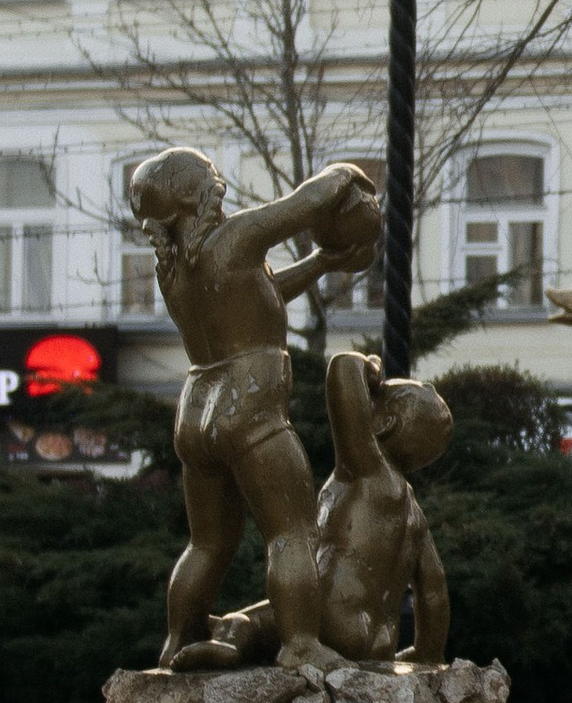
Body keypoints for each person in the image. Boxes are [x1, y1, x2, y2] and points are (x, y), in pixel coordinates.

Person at [126, 147, 381, 668]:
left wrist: (324, 262)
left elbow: (257, 293)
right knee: (291, 531)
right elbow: (306, 203)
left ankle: (179, 640)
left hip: (197, 412)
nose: (219, 182)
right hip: (250, 406)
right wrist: (346, 175)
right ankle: (301, 643)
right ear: (195, 193)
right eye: (211, 176)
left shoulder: (173, 268)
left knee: (207, 545)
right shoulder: (236, 238)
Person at [204, 350, 452, 667]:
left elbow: (342, 367)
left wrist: (370, 369)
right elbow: (434, 590)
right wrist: (428, 651)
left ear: (382, 423)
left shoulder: (369, 473)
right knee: (264, 619)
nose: (368, 399)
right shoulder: (412, 512)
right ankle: (226, 631)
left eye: (378, 396)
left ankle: (229, 640)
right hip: (378, 641)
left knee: (246, 621)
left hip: (332, 620)